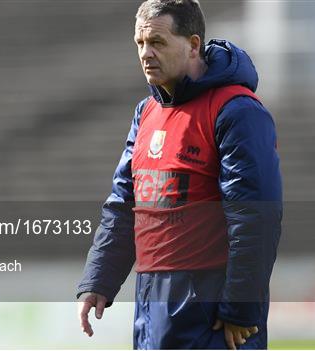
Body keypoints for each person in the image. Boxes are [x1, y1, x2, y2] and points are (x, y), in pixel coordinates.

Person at [77, 0, 282, 349]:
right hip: (152, 308)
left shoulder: (236, 110)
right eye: (140, 43)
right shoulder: (146, 112)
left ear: (193, 45)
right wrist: (98, 280)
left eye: (157, 42)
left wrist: (240, 309)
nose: (146, 54)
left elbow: (255, 218)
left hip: (212, 312)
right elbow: (124, 204)